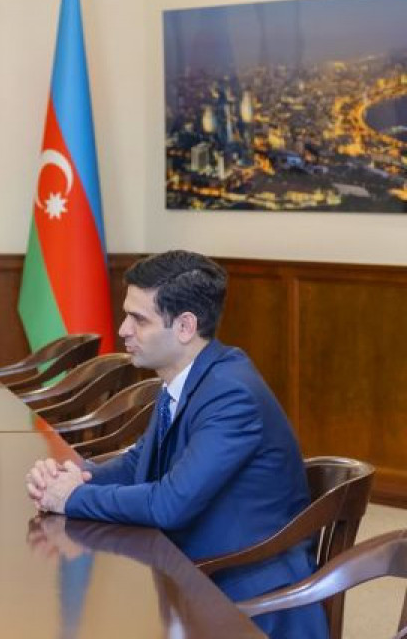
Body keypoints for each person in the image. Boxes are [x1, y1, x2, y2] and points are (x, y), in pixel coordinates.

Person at [24, 250, 326, 639]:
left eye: (139, 319)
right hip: (192, 571)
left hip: (247, 599)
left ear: (184, 326)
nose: (122, 330)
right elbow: (137, 463)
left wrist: (72, 498)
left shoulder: (231, 394)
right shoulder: (188, 379)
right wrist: (74, 477)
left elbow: (170, 505)